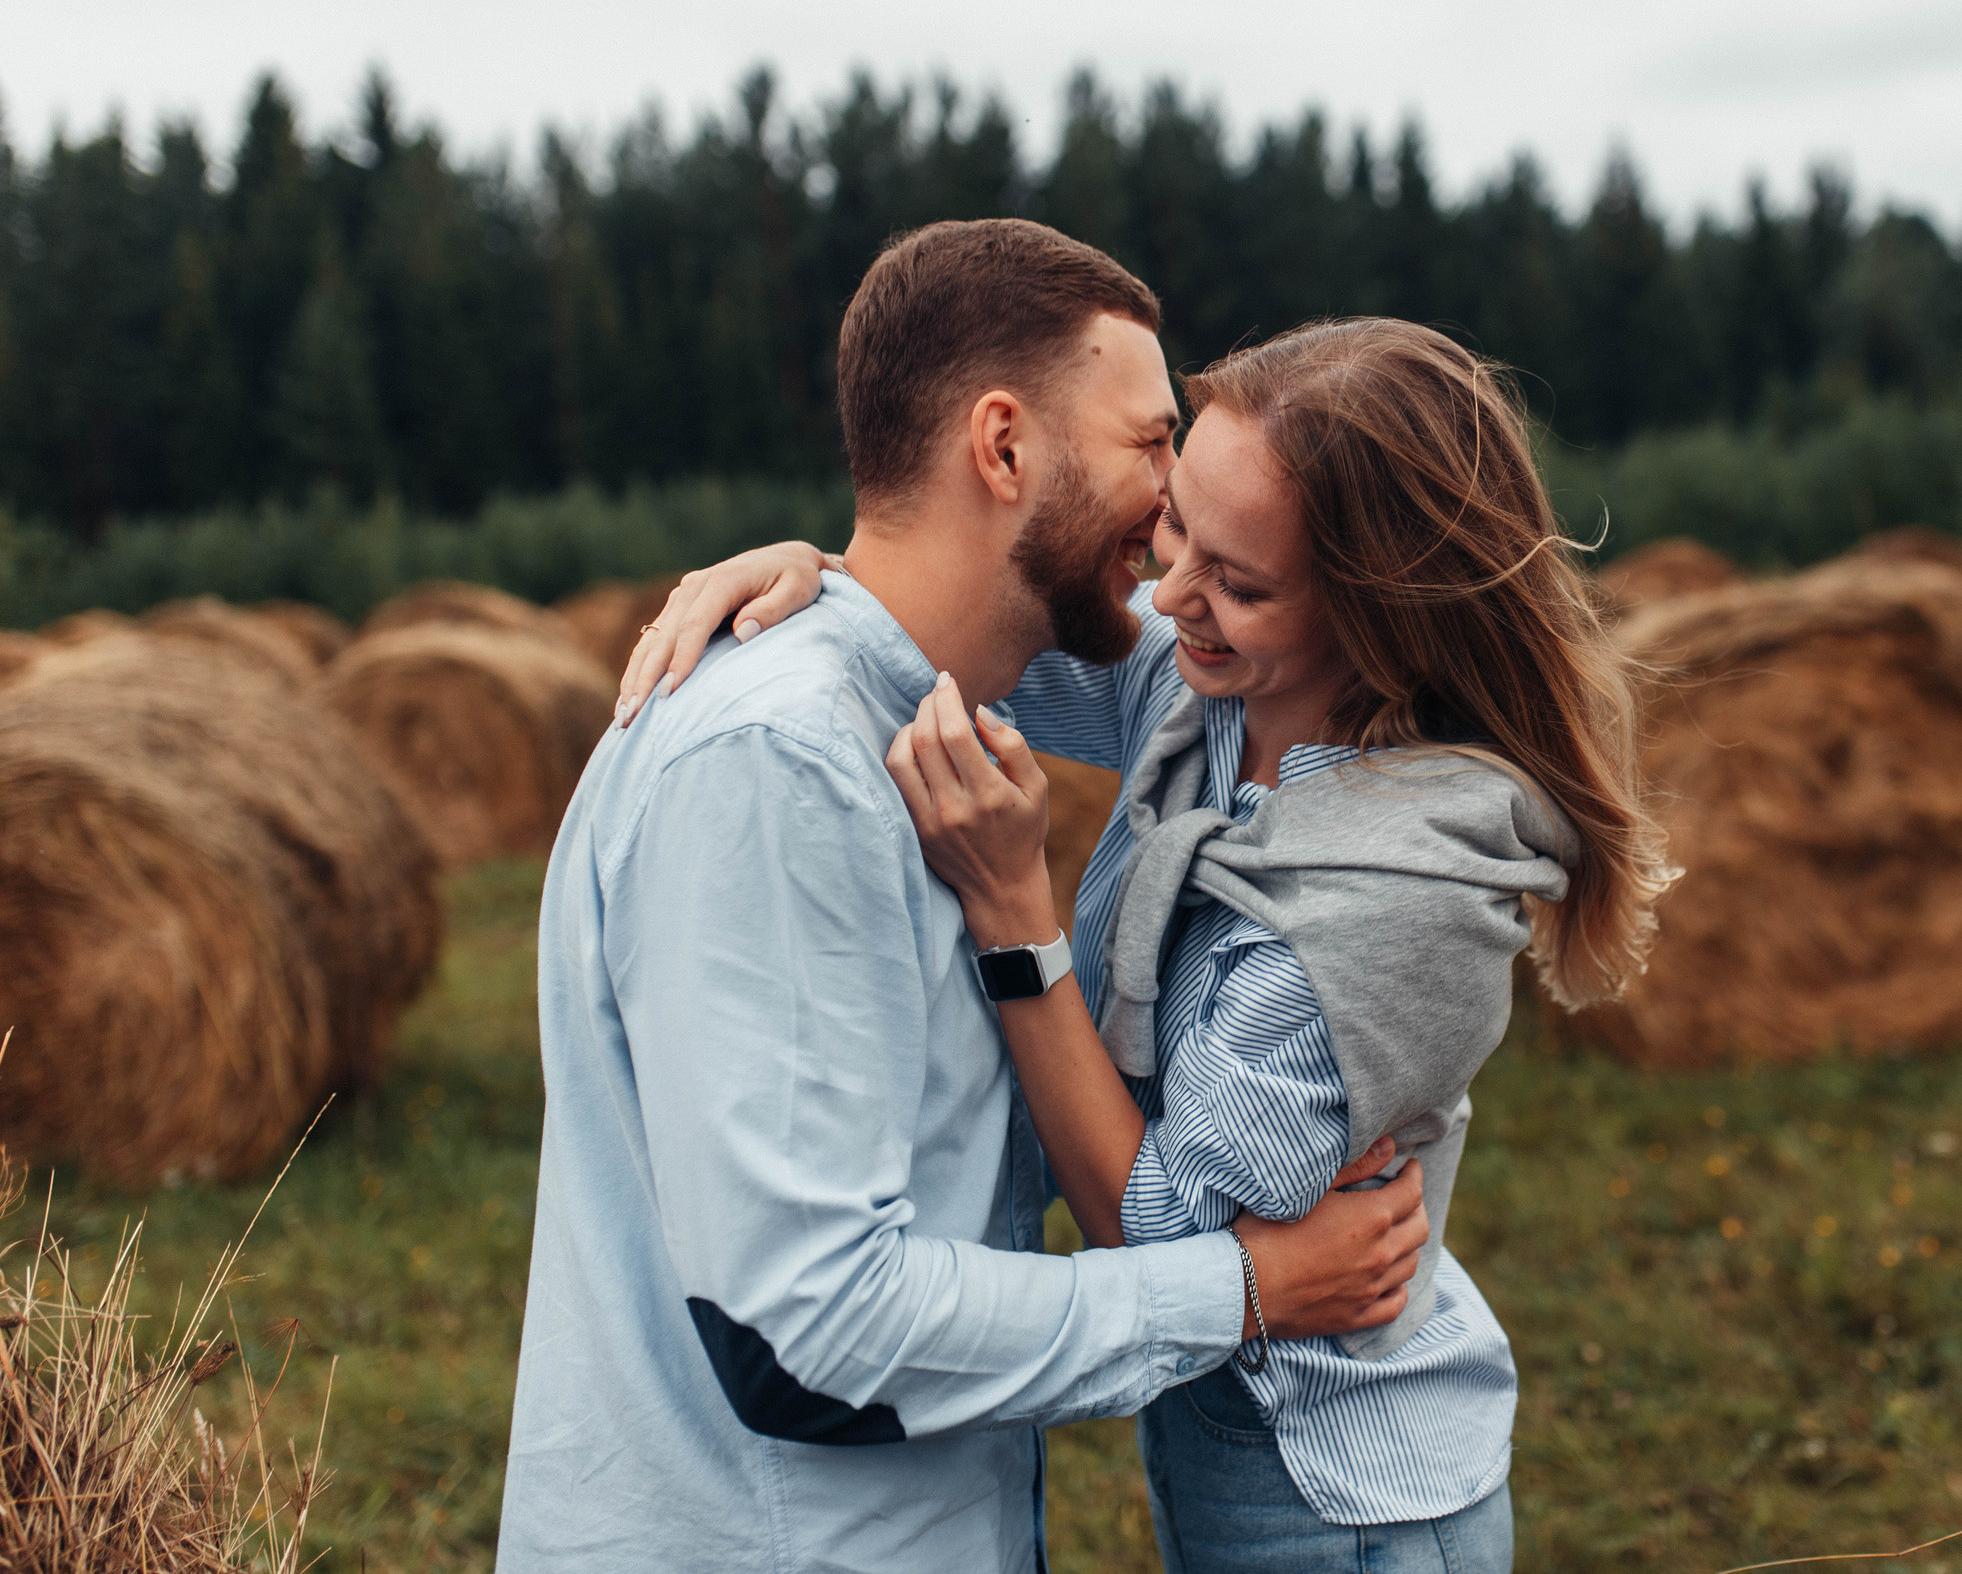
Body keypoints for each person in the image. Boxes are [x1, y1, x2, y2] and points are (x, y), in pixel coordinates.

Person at [626, 317, 1672, 1571]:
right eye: (1178, 531)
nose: (1169, 603)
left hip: (1337, 1495)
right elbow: (960, 635)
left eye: (1239, 583)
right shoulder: (1214, 686)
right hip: (1223, 1423)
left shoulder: (1395, 899)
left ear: (1383, 615)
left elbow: (1167, 1239)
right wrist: (827, 570)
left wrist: (1017, 916)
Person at [497, 221, 1432, 1574]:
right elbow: (809, 1329)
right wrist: (1245, 1287)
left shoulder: (911, 706)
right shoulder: (776, 762)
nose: (1177, 510)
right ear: (1003, 448)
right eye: (1150, 442)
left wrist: (824, 563)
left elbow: (1304, 656)